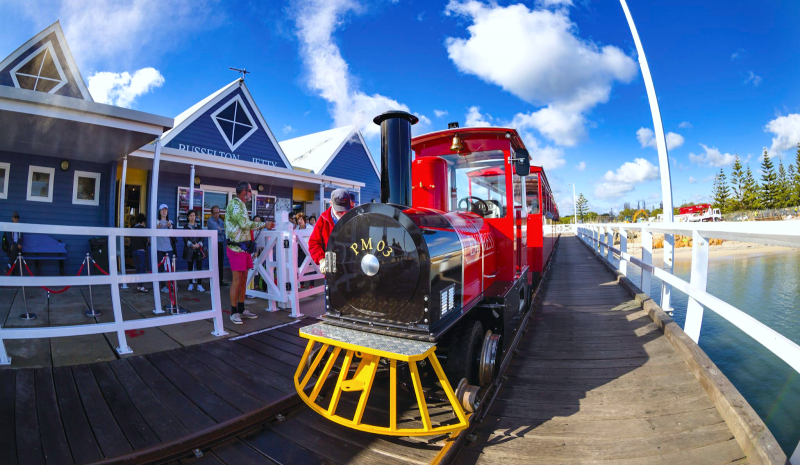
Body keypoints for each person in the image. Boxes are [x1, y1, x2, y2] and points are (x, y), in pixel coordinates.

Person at [226, 181, 267, 324]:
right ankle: (233, 312)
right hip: (235, 248)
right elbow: (244, 224)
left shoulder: (241, 205)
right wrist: (264, 224)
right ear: (244, 192)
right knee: (237, 280)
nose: (251, 193)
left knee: (244, 280)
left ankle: (242, 309)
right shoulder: (235, 204)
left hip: (244, 249)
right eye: (250, 191)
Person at [309, 189, 352, 272]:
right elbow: (314, 243)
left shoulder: (355, 216)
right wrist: (322, 260)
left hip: (352, 268)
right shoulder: (323, 219)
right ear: (331, 204)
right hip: (332, 270)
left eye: (345, 210)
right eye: (339, 210)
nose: (342, 213)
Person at [156, 204, 177, 293]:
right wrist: (157, 227)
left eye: (166, 210)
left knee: (171, 267)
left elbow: (173, 235)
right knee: (160, 268)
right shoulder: (156, 222)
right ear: (159, 211)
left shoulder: (170, 222)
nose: (164, 211)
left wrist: (170, 227)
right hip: (159, 248)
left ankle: (172, 283)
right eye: (162, 210)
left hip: (169, 248)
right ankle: (163, 285)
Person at [183, 210, 205, 292]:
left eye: (194, 215)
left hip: (198, 249)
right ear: (188, 217)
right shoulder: (185, 226)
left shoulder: (198, 226)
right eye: (191, 215)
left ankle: (199, 284)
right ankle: (191, 283)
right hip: (189, 250)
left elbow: (202, 237)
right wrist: (191, 245)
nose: (192, 217)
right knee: (190, 267)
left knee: (199, 267)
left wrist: (198, 244)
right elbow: (185, 238)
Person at [206, 205, 227, 286]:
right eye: (215, 213)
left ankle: (220, 280)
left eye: (218, 213)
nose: (217, 214)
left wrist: (221, 229)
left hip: (221, 243)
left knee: (220, 262)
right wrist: (221, 229)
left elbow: (225, 228)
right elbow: (218, 230)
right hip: (214, 244)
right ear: (211, 213)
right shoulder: (210, 221)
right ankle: (214, 282)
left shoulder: (220, 220)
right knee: (214, 263)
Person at [130, 214, 150, 292]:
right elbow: (145, 240)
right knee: (142, 268)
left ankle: (139, 285)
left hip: (134, 250)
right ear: (142, 222)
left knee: (137, 268)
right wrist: (148, 241)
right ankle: (140, 286)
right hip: (141, 250)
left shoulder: (132, 228)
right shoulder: (142, 228)